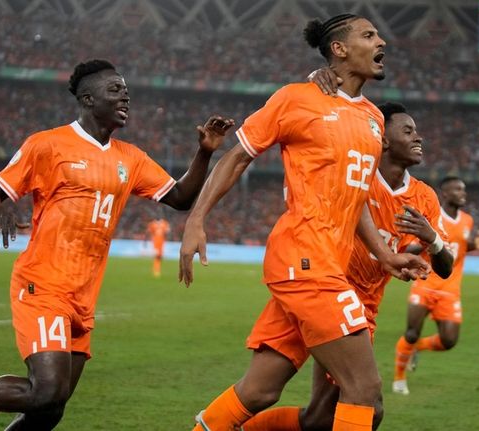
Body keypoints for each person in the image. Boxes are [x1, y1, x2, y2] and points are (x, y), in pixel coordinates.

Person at [0, 59, 234, 431]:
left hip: (83, 297)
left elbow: (180, 197)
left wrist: (205, 152)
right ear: (88, 99)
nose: (125, 95)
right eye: (115, 89)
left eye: (126, 90)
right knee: (45, 391)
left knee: (50, 410)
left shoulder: (132, 158)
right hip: (44, 285)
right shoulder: (47, 145)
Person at [179, 14, 430, 431]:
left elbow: (357, 198)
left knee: (260, 391)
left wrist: (384, 254)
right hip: (306, 262)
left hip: (323, 268)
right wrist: (196, 219)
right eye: (369, 35)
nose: (381, 40)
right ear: (339, 49)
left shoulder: (371, 118)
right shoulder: (297, 98)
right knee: (363, 390)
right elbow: (237, 155)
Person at [241, 101, 454, 430]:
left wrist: (432, 240)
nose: (419, 138)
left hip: (364, 308)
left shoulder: (424, 197)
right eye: (408, 131)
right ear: (382, 139)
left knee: (314, 416)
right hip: (328, 293)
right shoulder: (358, 179)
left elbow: (446, 267)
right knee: (368, 406)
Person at [392, 176, 479, 395]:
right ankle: (399, 379)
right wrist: (397, 258)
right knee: (411, 333)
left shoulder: (467, 220)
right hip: (425, 282)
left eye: (464, 189)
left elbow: (457, 246)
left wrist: (475, 244)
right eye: (458, 190)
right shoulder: (432, 216)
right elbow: (416, 246)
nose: (463, 194)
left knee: (449, 340)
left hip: (450, 288)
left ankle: (417, 349)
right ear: (446, 193)